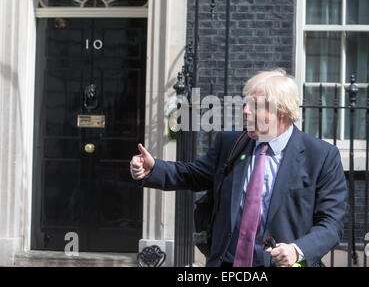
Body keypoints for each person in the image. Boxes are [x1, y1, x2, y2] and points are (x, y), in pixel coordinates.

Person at [130, 69, 348, 267]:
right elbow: (194, 175)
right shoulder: (230, 143)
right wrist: (153, 169)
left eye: (254, 106)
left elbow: (331, 224)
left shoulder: (320, 157)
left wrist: (297, 250)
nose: (245, 111)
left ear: (280, 111)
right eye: (246, 104)